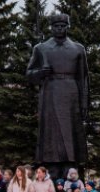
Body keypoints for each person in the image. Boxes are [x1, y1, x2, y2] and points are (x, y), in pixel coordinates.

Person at [26, 12, 89, 181]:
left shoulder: (78, 49)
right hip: (50, 93)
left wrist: (84, 103)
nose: (59, 29)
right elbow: (29, 74)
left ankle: (70, 168)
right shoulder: (41, 48)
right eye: (56, 26)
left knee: (70, 133)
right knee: (51, 134)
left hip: (71, 94)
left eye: (63, 26)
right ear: (51, 28)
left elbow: (83, 78)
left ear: (67, 27)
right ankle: (52, 168)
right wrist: (40, 72)